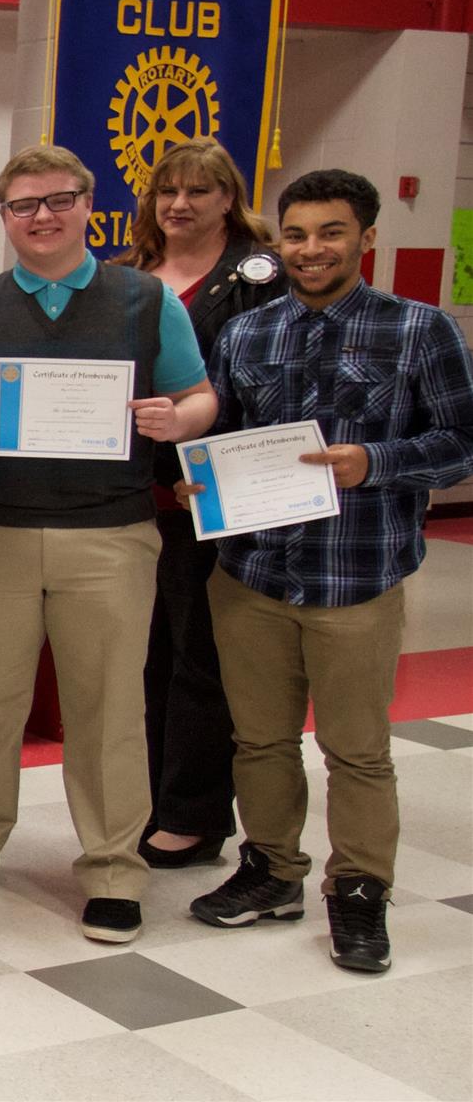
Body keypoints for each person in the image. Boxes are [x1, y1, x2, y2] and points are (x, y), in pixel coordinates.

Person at [0, 144, 217, 945]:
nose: (41, 217)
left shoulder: (145, 302)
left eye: (58, 200)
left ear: (88, 204)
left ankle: (114, 868)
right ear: (3, 217)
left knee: (108, 708)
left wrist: (177, 422)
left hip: (109, 535)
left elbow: (198, 393)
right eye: (22, 205)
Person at [187, 168, 473, 973]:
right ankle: (272, 869)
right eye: (298, 234)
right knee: (259, 740)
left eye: (331, 233)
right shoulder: (248, 334)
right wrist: (199, 484)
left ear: (366, 238)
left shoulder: (420, 331)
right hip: (250, 575)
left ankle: (359, 892)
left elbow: (462, 442)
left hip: (356, 577)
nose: (311, 250)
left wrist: (373, 462)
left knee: (357, 750)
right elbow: (227, 438)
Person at [111, 138, 284, 869]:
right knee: (142, 661)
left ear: (227, 199)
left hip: (211, 502)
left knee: (199, 662)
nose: (179, 205)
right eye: (167, 191)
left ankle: (196, 814)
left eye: (198, 192)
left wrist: (221, 467)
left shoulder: (259, 280)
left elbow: (271, 391)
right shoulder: (127, 275)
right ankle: (149, 800)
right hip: (130, 498)